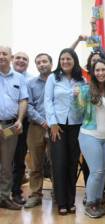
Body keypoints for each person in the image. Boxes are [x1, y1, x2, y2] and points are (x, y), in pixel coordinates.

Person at [75, 59, 105, 218]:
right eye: (97, 70)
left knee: (102, 173)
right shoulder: (86, 90)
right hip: (90, 135)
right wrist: (76, 98)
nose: (101, 73)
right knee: (97, 171)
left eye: (104, 70)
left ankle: (97, 200)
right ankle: (90, 203)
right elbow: (77, 112)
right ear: (93, 73)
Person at [44, 48, 85, 215]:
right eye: (62, 59)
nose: (65, 62)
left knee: (72, 163)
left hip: (76, 126)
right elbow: (48, 101)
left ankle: (70, 201)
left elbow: (85, 104)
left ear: (74, 60)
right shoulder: (53, 78)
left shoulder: (82, 80)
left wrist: (79, 97)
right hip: (58, 127)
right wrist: (52, 123)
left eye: (68, 59)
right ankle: (61, 202)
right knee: (59, 163)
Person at [0, 46, 28, 210]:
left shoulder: (19, 78)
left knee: (7, 164)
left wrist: (19, 120)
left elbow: (23, 100)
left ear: (11, 57)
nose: (1, 56)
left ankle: (3, 197)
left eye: (4, 53)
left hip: (11, 127)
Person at [24, 53, 53, 208]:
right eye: (39, 62)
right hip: (36, 127)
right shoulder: (30, 83)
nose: (42, 64)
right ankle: (35, 194)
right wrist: (42, 121)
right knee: (36, 163)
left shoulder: (58, 81)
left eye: (45, 61)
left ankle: (58, 192)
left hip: (56, 127)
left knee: (56, 162)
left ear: (51, 63)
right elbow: (27, 106)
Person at [11, 51, 33, 205]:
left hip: (22, 124)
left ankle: (16, 191)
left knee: (19, 158)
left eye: (24, 59)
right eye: (18, 57)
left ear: (28, 63)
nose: (21, 61)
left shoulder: (31, 80)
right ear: (12, 59)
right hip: (4, 123)